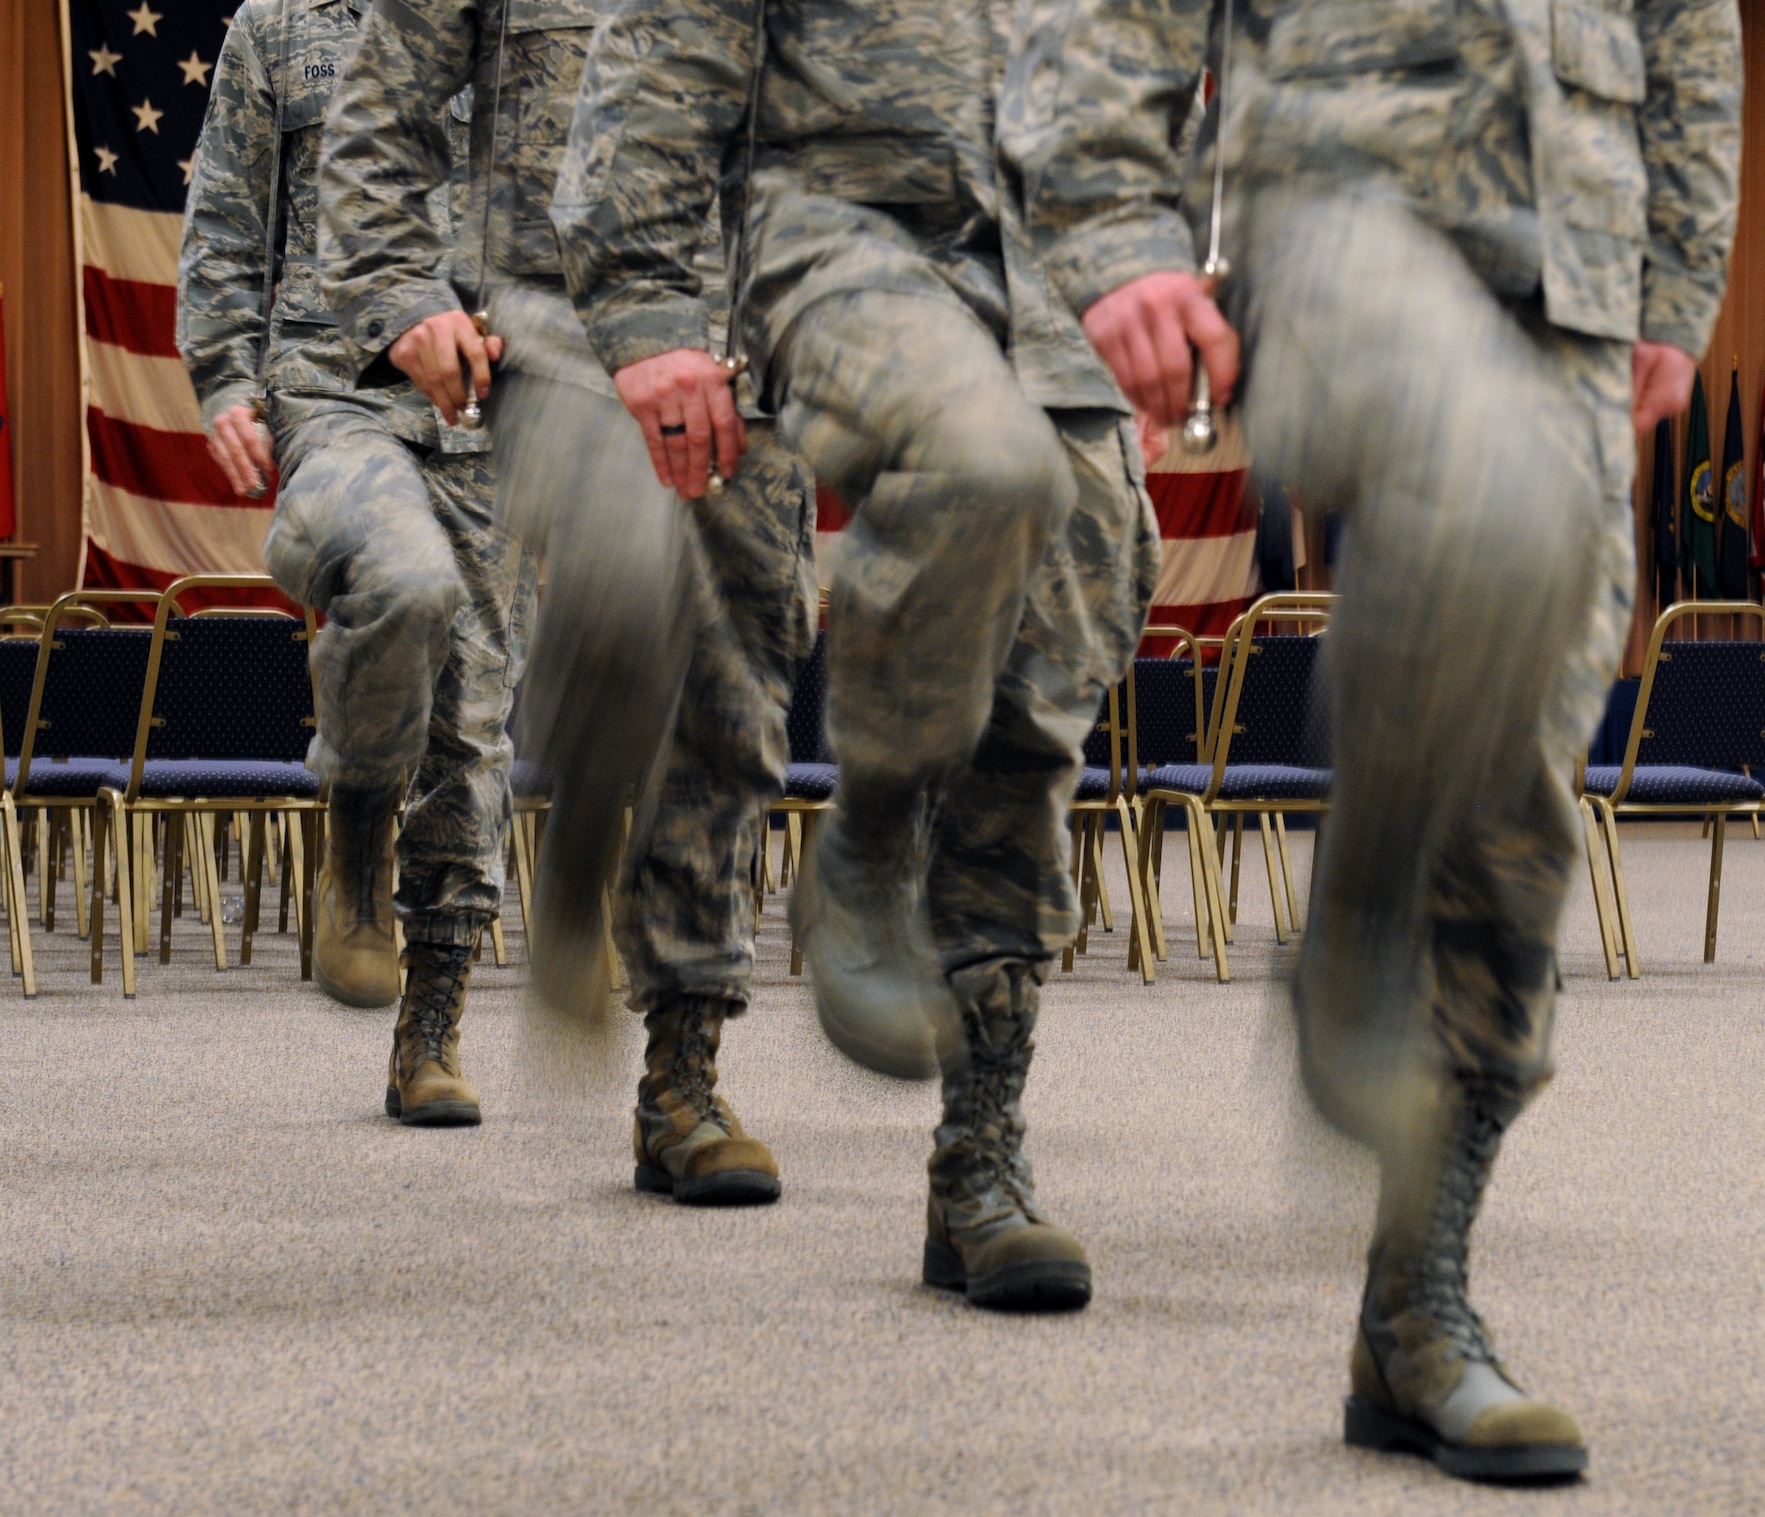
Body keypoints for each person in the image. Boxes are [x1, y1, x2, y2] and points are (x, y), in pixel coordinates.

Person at [1037, 0, 1741, 1480]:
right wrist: (1113, 225)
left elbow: (1689, 26)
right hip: (1346, 197)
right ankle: (1358, 912)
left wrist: (1673, 281)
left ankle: (1414, 1309)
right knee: (1494, 506)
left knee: (1515, 800)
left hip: (1572, 270)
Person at [552, 0, 1162, 1308]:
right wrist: (649, 308)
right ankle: (684, 1056)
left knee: (1033, 718)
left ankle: (979, 1155)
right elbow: (665, 45)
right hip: (830, 258)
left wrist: (1156, 269)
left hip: (1058, 295)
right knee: (723, 695)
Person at [317, 0, 815, 1204]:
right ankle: (580, 844)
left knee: (734, 704)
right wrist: (401, 292)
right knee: (620, 581)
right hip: (552, 328)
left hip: (745, 341)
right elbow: (379, 105)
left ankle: (681, 1080)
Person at [178, 0, 533, 1127]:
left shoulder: (525, 24)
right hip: (334, 394)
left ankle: (430, 1027)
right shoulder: (279, 25)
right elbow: (226, 218)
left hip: (492, 418)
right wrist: (224, 379)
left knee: (473, 729)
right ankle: (359, 817)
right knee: (402, 579)